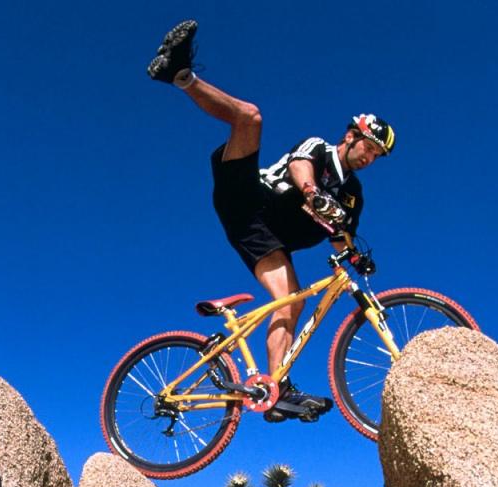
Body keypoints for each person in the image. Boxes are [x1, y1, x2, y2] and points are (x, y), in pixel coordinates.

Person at [147, 19, 395, 422]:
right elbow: (301, 170)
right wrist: (314, 195)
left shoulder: (354, 195)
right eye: (368, 147)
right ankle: (179, 73)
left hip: (264, 236)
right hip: (248, 199)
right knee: (250, 118)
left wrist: (354, 256)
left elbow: (341, 239)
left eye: (376, 157)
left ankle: (274, 385)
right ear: (351, 136)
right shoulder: (320, 149)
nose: (369, 158)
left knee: (290, 299)